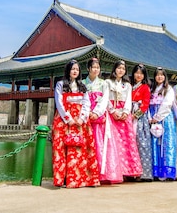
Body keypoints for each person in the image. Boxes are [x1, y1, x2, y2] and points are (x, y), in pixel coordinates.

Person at [52, 59, 100, 188]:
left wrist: (82, 118)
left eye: (77, 70)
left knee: (80, 149)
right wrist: (68, 118)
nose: (75, 71)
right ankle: (63, 179)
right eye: (73, 69)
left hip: (80, 121)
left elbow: (86, 103)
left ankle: (82, 179)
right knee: (62, 148)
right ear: (68, 70)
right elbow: (59, 103)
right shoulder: (60, 85)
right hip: (64, 120)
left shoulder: (82, 86)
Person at [104, 60, 143, 182]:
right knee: (113, 142)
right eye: (119, 68)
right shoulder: (107, 83)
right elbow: (105, 98)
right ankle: (113, 172)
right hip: (112, 115)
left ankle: (128, 171)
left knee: (126, 143)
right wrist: (112, 111)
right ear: (114, 69)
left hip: (124, 115)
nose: (121, 70)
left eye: (123, 69)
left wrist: (126, 112)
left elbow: (128, 100)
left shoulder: (127, 85)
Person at [82, 57, 114, 180]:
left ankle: (100, 173)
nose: (96, 70)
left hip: (99, 116)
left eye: (98, 67)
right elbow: (82, 100)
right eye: (93, 67)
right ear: (88, 69)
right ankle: (85, 173)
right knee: (85, 144)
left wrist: (96, 112)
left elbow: (105, 99)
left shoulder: (103, 83)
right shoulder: (83, 84)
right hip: (86, 116)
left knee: (99, 143)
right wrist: (86, 112)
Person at [148, 67, 177, 180]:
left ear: (165, 77)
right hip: (152, 115)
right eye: (157, 75)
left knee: (167, 143)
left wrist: (157, 117)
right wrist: (150, 117)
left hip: (165, 117)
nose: (159, 77)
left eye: (162, 75)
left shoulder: (168, 89)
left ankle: (168, 172)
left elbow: (167, 104)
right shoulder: (152, 89)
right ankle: (156, 172)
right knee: (154, 144)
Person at [130, 63, 153, 181]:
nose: (138, 75)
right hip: (129, 115)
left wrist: (136, 115)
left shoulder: (145, 88)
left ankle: (143, 172)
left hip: (140, 118)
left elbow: (145, 104)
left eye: (141, 73)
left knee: (141, 142)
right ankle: (131, 171)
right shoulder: (130, 86)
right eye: (137, 72)